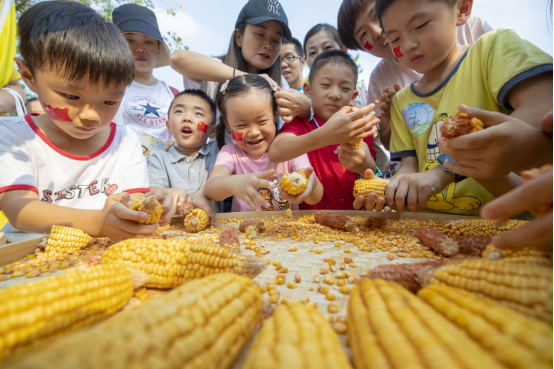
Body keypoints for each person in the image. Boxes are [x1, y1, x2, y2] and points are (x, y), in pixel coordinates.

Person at [0, 1, 175, 240]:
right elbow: (20, 211)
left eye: (110, 102)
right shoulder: (14, 137)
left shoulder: (125, 140)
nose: (91, 116)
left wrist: (150, 206)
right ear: (29, 76)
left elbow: (133, 201)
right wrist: (96, 222)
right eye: (72, 96)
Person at [362, 0, 553, 216]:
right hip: (428, 225)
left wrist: (443, 171)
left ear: (462, 9)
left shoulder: (493, 49)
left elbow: (542, 105)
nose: (407, 45)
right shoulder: (400, 102)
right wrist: (393, 190)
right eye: (395, 39)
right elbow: (409, 166)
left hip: (504, 223)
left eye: (420, 25)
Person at [338, 0, 493, 151]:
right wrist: (398, 115)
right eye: (364, 34)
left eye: (377, 16)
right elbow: (390, 145)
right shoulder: (379, 79)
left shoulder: (466, 27)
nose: (377, 32)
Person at [170, 0, 311, 129]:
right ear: (238, 37)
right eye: (260, 34)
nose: (268, 45)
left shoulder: (279, 84)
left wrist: (306, 108)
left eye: (276, 40)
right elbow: (177, 58)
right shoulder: (214, 72)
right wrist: (249, 79)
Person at [269, 50, 379, 210]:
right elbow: (276, 152)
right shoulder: (301, 124)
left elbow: (372, 171)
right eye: (326, 85)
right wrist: (326, 136)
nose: (335, 94)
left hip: (357, 222)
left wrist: (365, 163)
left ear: (353, 96)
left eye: (345, 88)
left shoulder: (360, 128)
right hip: (312, 226)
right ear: (307, 90)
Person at [204, 74, 323, 213]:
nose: (254, 132)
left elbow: (316, 198)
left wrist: (312, 185)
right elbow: (210, 189)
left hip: (288, 231)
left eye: (261, 122)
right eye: (241, 125)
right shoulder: (230, 153)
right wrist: (232, 183)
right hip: (245, 232)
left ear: (274, 116)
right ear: (228, 125)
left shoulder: (289, 149)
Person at [148, 89, 222, 218]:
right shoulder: (159, 158)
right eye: (179, 111)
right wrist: (169, 191)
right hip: (171, 231)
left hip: (212, 231)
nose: (187, 118)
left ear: (212, 130)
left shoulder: (218, 152)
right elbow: (153, 191)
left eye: (198, 113)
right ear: (169, 126)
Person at [112, 4, 179, 143]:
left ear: (159, 48)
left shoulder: (175, 94)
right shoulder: (104, 86)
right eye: (130, 40)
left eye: (148, 42)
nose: (140, 48)